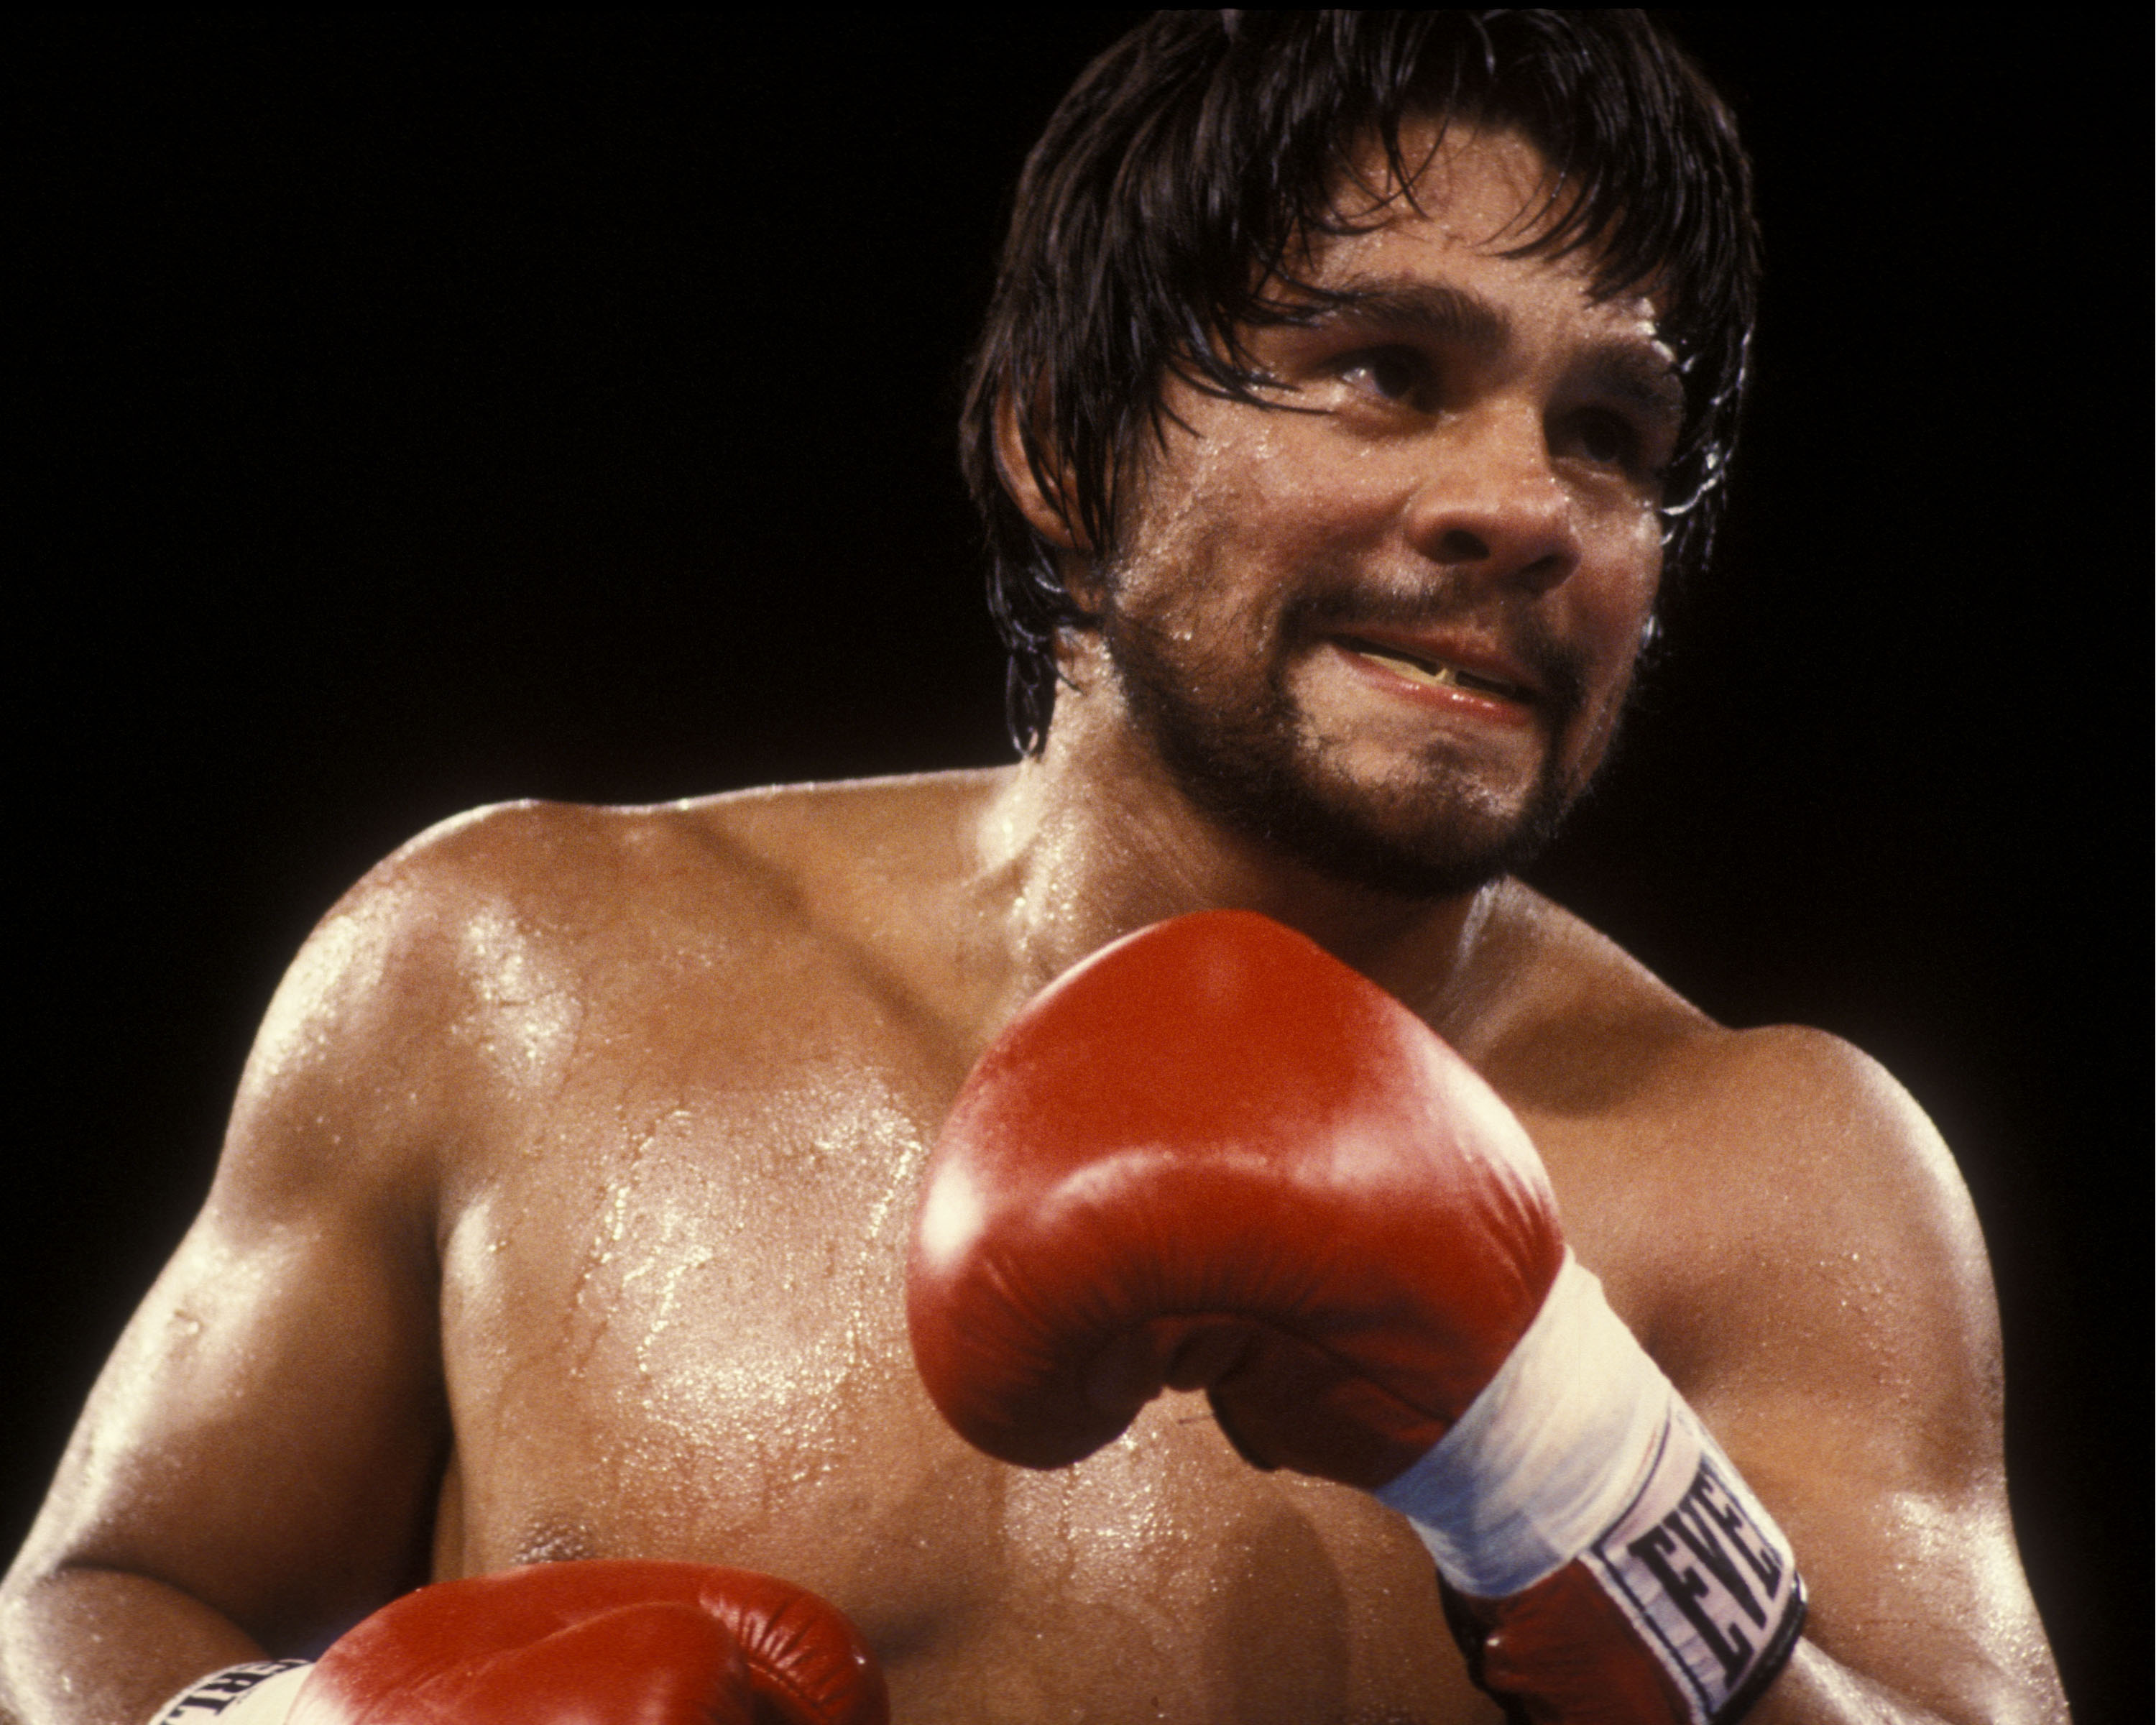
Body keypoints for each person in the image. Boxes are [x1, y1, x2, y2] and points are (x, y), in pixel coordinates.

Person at [0, 12, 2070, 1723]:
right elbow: (106, 1596)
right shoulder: (503, 970)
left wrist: (1558, 1447)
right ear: (1062, 450)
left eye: (1609, 430)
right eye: (1387, 372)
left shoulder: (1794, 1180)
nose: (1523, 505)